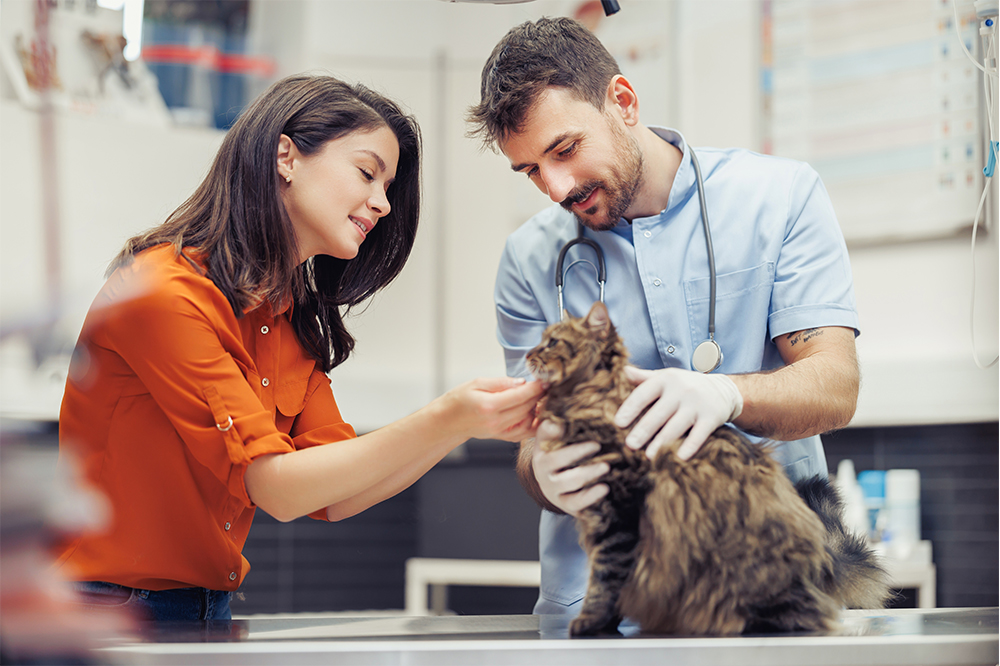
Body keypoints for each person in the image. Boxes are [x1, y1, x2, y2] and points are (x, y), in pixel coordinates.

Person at [54, 74, 543, 622]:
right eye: (367, 173)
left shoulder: (283, 316)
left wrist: (460, 423)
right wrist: (445, 415)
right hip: (107, 613)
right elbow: (277, 489)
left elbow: (330, 494)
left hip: (202, 609)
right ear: (286, 156)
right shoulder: (162, 295)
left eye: (388, 188)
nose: (381, 204)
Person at [467, 17, 861, 620]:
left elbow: (835, 385)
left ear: (622, 102)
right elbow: (529, 438)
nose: (555, 187)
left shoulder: (778, 197)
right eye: (530, 171)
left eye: (565, 150)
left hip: (760, 592)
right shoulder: (528, 258)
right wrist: (543, 471)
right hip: (606, 605)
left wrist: (726, 394)